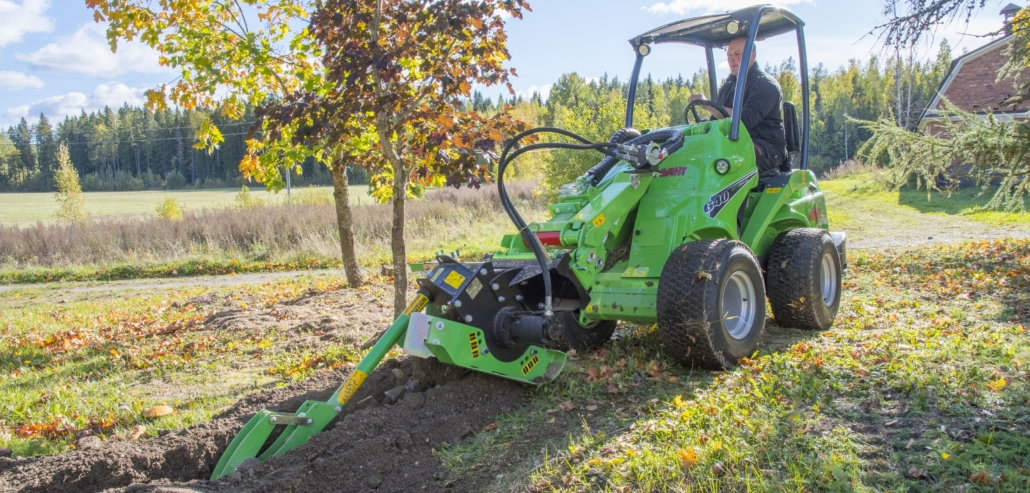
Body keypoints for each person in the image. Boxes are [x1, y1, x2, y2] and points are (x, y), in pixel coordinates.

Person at [689, 37, 787, 178]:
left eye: (737, 54)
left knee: (730, 158)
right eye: (729, 55)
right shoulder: (728, 87)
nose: (731, 59)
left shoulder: (765, 85)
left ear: (752, 55)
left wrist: (707, 105)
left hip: (766, 146)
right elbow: (715, 123)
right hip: (734, 142)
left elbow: (744, 120)